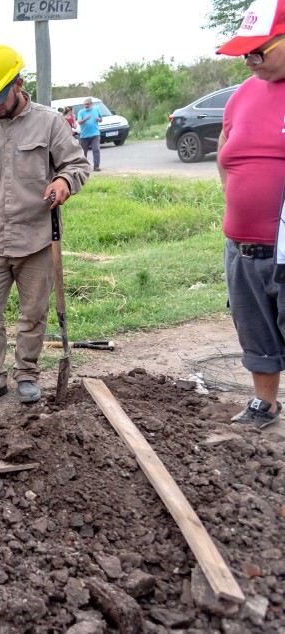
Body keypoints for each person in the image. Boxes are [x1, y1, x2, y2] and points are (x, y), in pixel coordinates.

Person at [0, 44, 91, 409]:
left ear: (18, 84)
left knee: (33, 314)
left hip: (36, 240)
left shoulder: (49, 123)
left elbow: (77, 165)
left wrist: (64, 183)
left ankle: (27, 374)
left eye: (0, 96)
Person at [215, 0, 285, 429]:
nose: (249, 62)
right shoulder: (242, 95)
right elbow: (226, 153)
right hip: (241, 245)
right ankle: (265, 403)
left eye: (259, 51)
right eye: (244, 53)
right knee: (255, 327)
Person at [77, 98, 104, 172]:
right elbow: (79, 122)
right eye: (85, 104)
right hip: (84, 135)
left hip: (95, 134)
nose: (86, 106)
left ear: (91, 104)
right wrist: (86, 119)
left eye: (87, 104)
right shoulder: (81, 112)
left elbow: (101, 119)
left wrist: (99, 120)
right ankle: (83, 167)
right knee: (83, 152)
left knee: (96, 149)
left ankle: (96, 166)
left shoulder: (96, 110)